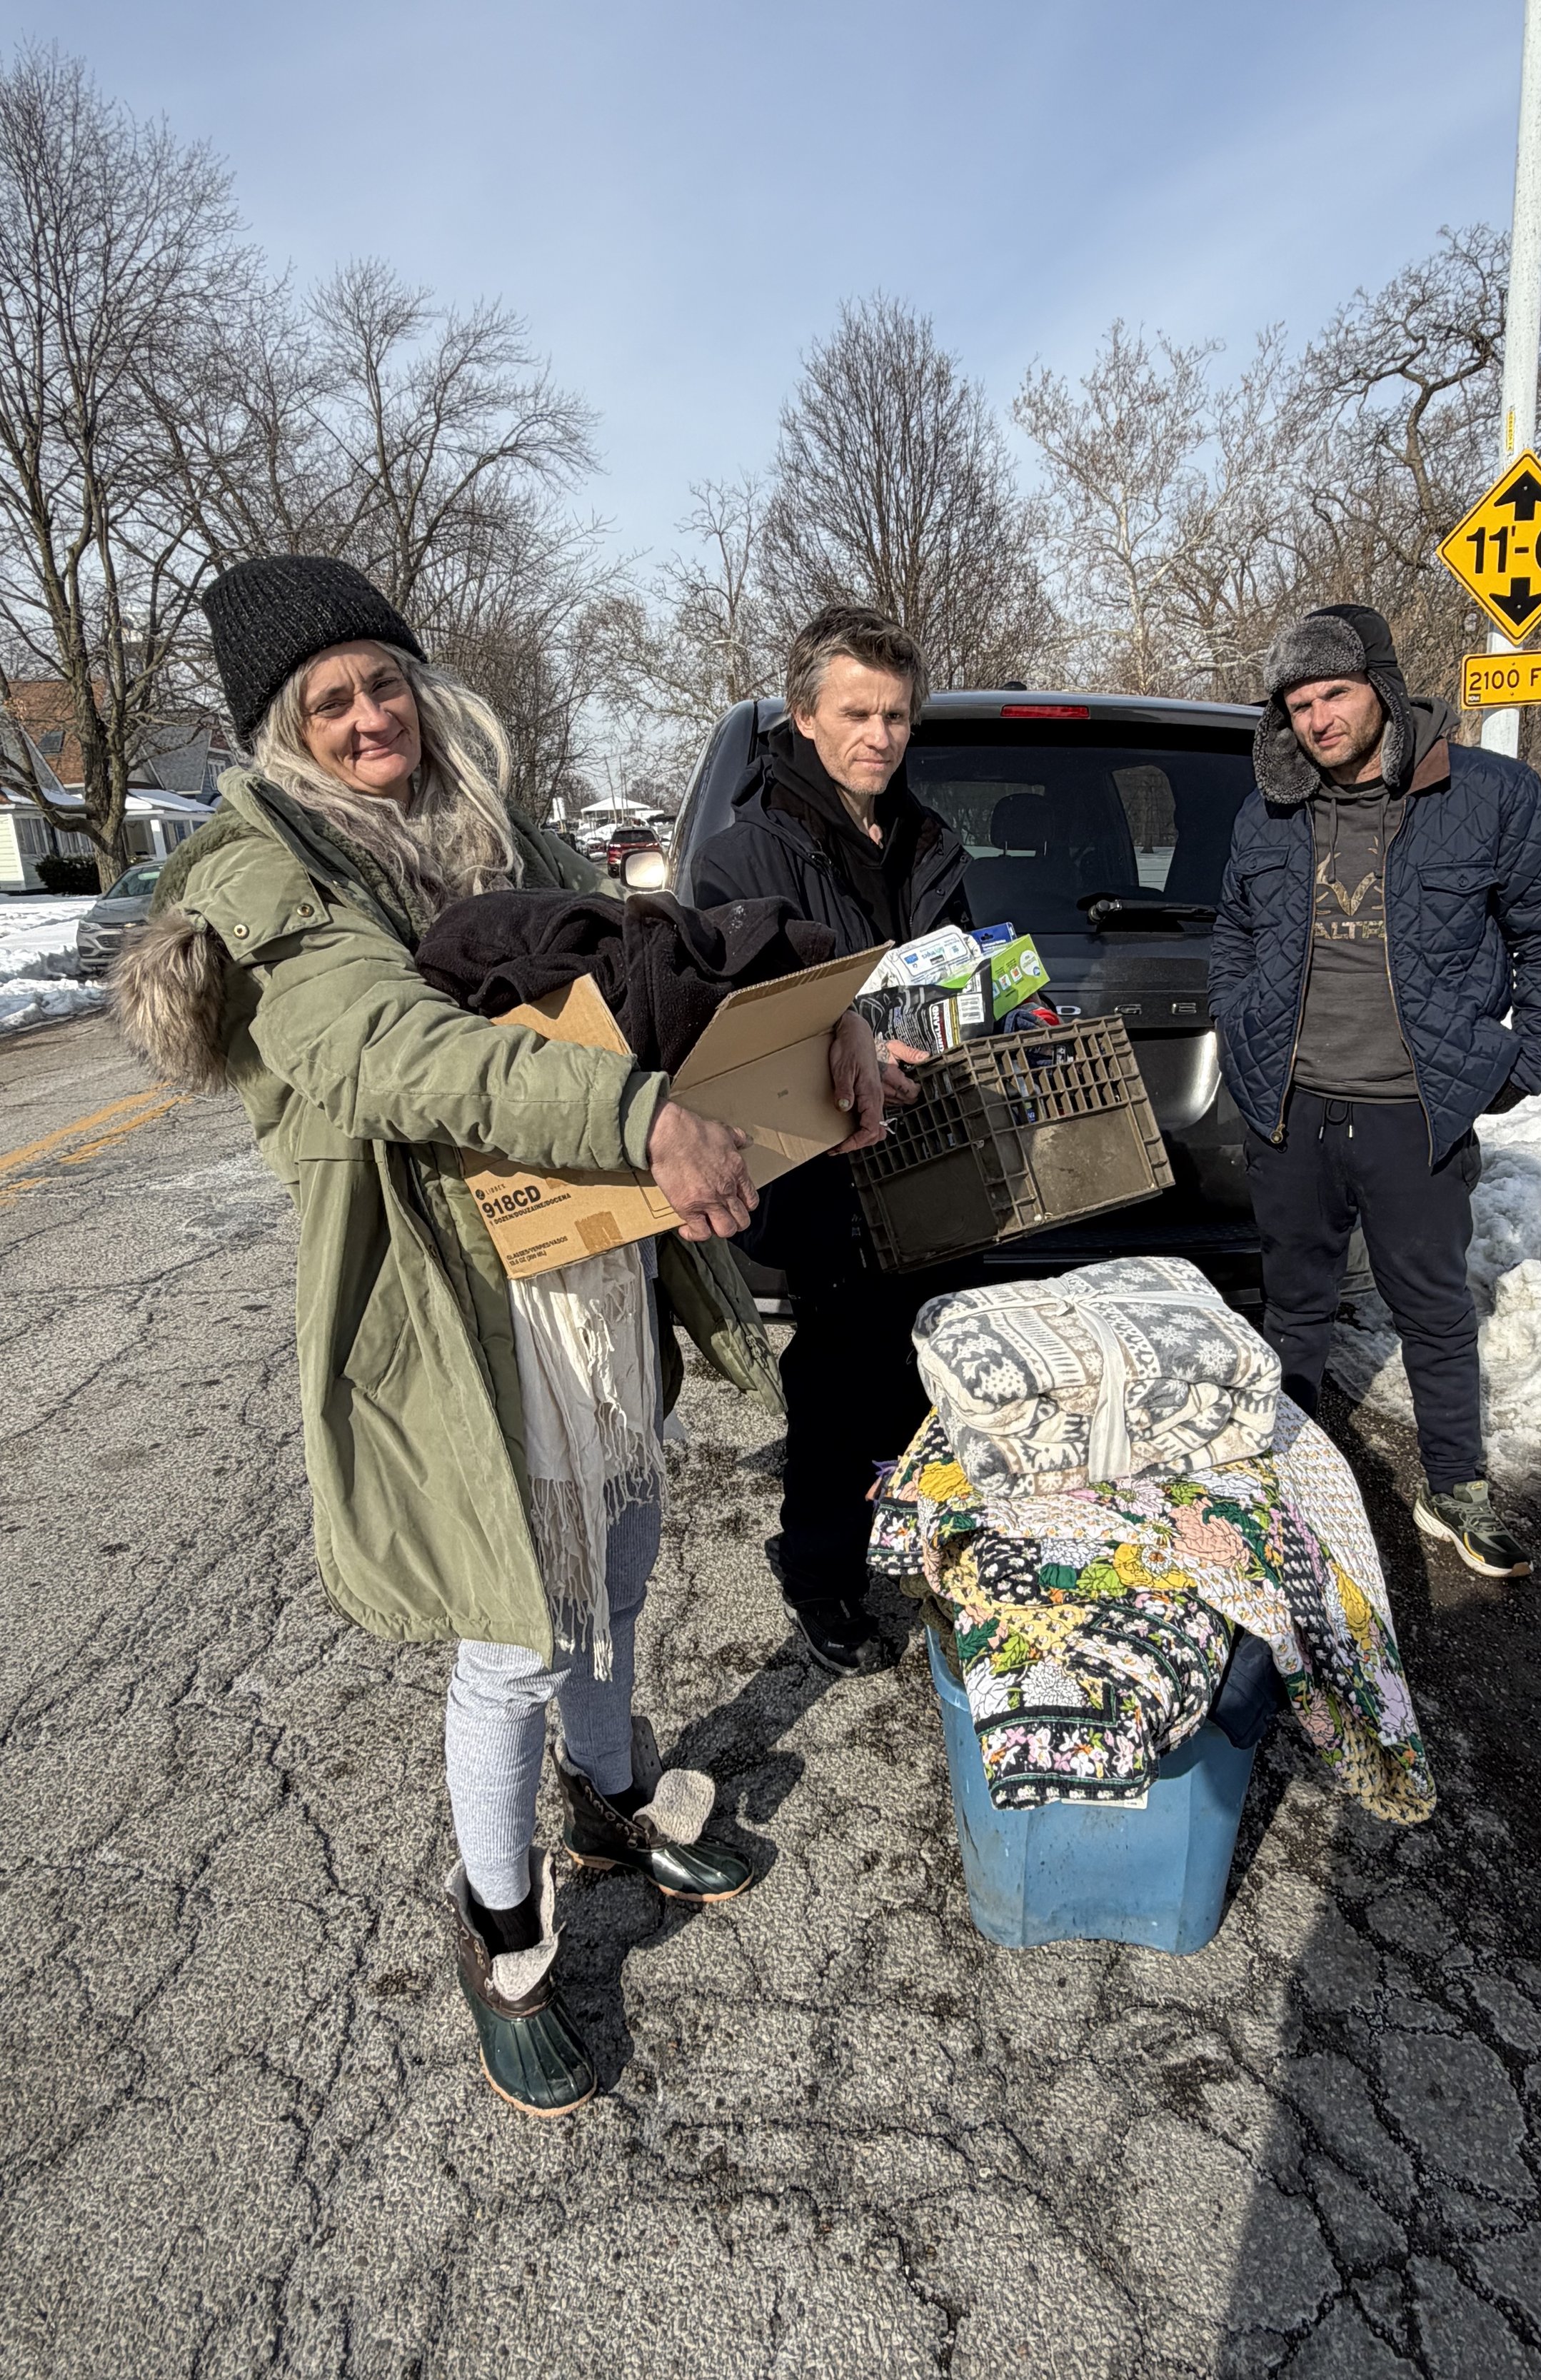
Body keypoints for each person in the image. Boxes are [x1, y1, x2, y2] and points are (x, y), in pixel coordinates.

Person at [113, 556, 885, 2118]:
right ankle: (504, 1931)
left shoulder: (487, 814)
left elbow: (639, 945)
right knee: (513, 1618)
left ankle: (610, 1801)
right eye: (324, 700)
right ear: (279, 728)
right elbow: (388, 1047)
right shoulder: (261, 864)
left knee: (619, 1540)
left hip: (580, 1252)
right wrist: (636, 1112)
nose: (365, 715)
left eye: (379, 678)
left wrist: (814, 1007)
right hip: (442, 1289)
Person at [1209, 603, 1541, 1580]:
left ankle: (1455, 1487)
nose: (1318, 720)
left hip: (1412, 1109)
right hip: (1292, 1106)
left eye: (1334, 693)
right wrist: (1242, 1023)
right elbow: (1236, 931)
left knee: (1431, 1307)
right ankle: (1289, 1483)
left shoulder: (1489, 796)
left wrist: (1524, 1058)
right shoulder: (1269, 810)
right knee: (1294, 1302)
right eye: (1298, 704)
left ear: (1380, 684)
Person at [691, 605, 971, 1672]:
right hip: (817, 1160)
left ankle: (911, 1535)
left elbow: (958, 968)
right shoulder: (740, 856)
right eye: (857, 711)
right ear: (805, 715)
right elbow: (729, 1025)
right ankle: (820, 1573)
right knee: (837, 1368)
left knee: (922, 1356)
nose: (881, 735)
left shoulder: (930, 837)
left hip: (932, 1148)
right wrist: (848, 1059)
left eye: (897, 715)